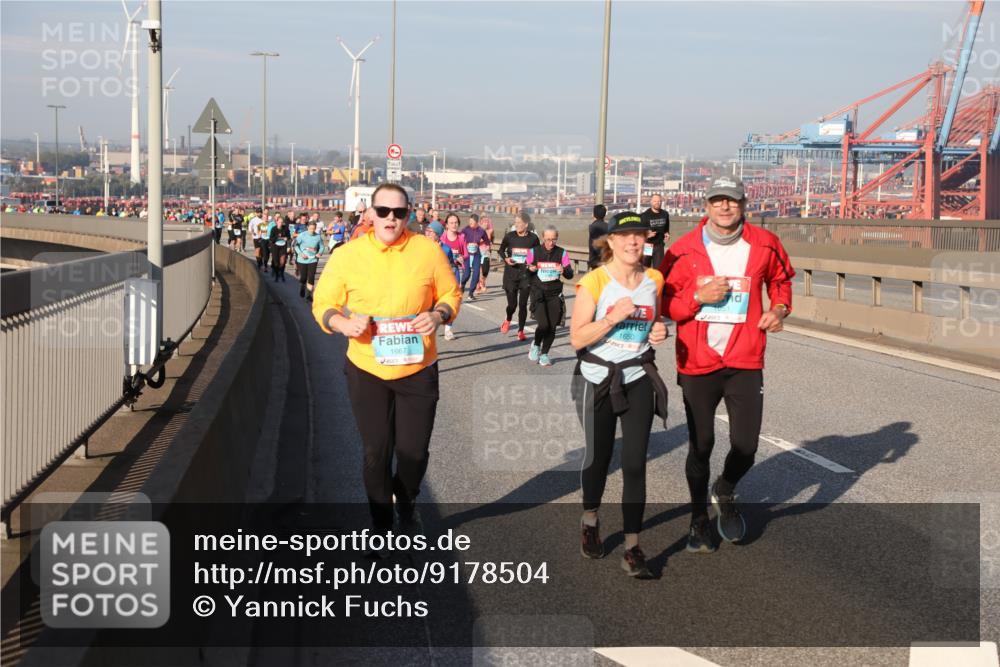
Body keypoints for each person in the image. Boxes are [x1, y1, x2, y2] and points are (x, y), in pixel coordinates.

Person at [311, 183, 461, 535]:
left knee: (413, 454)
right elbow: (323, 303)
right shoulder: (348, 255)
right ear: (369, 213)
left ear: (409, 214)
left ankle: (406, 498)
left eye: (399, 212)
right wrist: (343, 322)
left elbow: (450, 293)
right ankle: (380, 524)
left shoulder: (427, 250)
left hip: (417, 368)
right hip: (367, 368)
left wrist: (439, 315)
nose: (391, 219)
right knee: (375, 453)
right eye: (383, 211)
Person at [659, 176, 794, 552]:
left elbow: (782, 281)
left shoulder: (765, 244)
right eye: (717, 200)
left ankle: (726, 487)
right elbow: (665, 304)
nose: (724, 207)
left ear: (743, 204)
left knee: (746, 446)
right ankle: (698, 520)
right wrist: (697, 298)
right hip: (698, 361)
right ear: (705, 205)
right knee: (701, 445)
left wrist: (779, 309)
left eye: (731, 200)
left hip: (745, 358)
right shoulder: (683, 251)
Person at [569, 211, 669, 579]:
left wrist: (659, 330)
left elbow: (655, 320)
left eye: (640, 235)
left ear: (647, 240)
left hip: (637, 376)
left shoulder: (654, 279)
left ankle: (632, 547)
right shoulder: (594, 282)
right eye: (625, 237)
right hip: (596, 379)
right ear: (609, 242)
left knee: (634, 463)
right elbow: (577, 338)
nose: (633, 242)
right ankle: (590, 518)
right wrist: (611, 318)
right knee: (598, 458)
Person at [526, 226, 573, 367]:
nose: (550, 242)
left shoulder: (562, 253)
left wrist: (564, 270)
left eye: (553, 239)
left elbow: (570, 274)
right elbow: (525, 272)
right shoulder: (533, 252)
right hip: (538, 292)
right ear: (542, 238)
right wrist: (530, 269)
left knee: (552, 327)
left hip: (554, 293)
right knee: (544, 324)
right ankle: (536, 345)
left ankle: (545, 354)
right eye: (548, 239)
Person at [498, 212, 539, 341]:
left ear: (526, 224)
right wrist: (506, 259)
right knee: (512, 305)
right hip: (510, 274)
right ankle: (508, 319)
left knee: (522, 305)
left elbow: (538, 254)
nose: (517, 225)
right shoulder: (510, 236)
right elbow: (500, 250)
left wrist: (534, 265)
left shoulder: (533, 238)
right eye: (515, 222)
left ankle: (521, 331)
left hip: (526, 275)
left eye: (519, 223)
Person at [459, 214, 489, 301]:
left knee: (476, 274)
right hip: (467, 253)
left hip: (476, 254)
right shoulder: (465, 230)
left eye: (472, 222)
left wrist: (485, 247)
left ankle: (471, 293)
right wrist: (462, 249)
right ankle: (463, 285)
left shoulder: (481, 231)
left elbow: (487, 240)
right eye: (470, 221)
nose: (470, 223)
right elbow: (460, 240)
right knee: (467, 274)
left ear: (477, 222)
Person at [293, 220, 324, 300]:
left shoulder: (318, 236)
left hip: (313, 259)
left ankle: (309, 295)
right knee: (303, 277)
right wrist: (300, 254)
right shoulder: (302, 235)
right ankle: (302, 287)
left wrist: (319, 253)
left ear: (315, 228)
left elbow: (322, 246)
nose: (312, 230)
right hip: (302, 259)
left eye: (313, 229)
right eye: (310, 229)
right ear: (307, 228)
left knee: (311, 277)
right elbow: (295, 245)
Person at [640, 194, 670, 269]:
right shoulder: (645, 216)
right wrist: (647, 234)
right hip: (648, 245)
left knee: (659, 269)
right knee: (645, 268)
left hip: (659, 245)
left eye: (659, 201)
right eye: (655, 201)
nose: (657, 203)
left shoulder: (665, 214)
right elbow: (639, 232)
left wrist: (667, 234)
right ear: (651, 202)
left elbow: (666, 228)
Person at [268, 215, 292, 281]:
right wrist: (278, 237)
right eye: (279, 222)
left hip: (283, 246)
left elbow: (289, 237)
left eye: (282, 222)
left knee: (283, 261)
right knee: (276, 262)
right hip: (275, 246)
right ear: (276, 222)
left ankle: (281, 273)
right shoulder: (274, 229)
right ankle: (276, 274)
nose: (280, 223)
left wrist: (287, 238)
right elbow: (271, 239)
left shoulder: (285, 228)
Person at [476, 214, 495, 295]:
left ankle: (481, 283)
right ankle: (480, 286)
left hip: (486, 252)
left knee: (485, 271)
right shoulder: (477, 231)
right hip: (479, 252)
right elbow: (476, 241)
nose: (486, 224)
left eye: (487, 222)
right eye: (484, 222)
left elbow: (492, 239)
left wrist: (490, 245)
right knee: (479, 270)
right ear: (481, 223)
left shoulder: (490, 231)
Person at [587, 204, 609, 269]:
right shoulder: (609, 226)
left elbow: (595, 246)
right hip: (607, 261)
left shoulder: (593, 227)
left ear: (593, 214)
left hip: (597, 262)